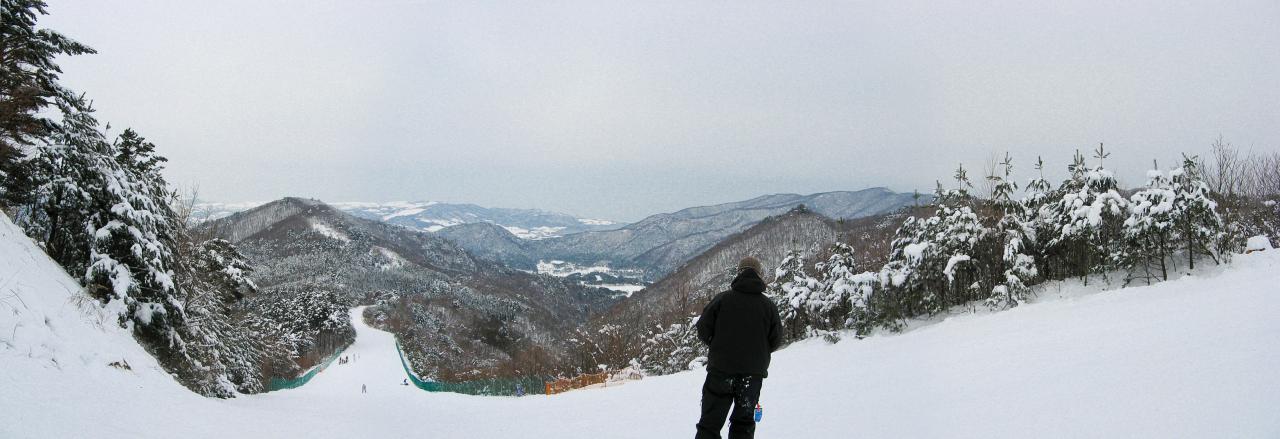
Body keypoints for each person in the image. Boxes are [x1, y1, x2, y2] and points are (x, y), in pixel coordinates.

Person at [694, 256, 782, 439]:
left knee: (710, 424)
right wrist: (757, 353)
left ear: (739, 273)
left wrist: (717, 346)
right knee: (743, 425)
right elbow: (775, 340)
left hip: (721, 371)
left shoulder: (722, 300)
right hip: (753, 375)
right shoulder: (769, 307)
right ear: (759, 275)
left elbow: (703, 329)